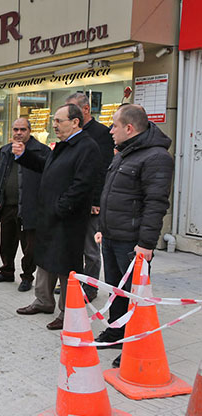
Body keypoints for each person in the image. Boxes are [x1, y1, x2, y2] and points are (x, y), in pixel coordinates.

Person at [93, 104, 174, 368]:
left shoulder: (156, 157)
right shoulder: (124, 154)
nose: (110, 130)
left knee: (133, 293)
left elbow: (156, 203)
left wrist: (146, 244)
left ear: (129, 128)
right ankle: (116, 332)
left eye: (114, 125)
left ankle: (132, 343)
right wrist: (102, 228)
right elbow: (112, 194)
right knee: (116, 289)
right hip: (112, 235)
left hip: (133, 241)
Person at [13, 103, 99, 330]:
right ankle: (43, 301)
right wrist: (25, 157)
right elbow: (47, 167)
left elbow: (82, 184)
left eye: (59, 121)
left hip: (67, 219)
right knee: (45, 259)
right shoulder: (65, 145)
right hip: (50, 215)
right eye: (54, 121)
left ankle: (67, 312)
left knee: (65, 266)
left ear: (75, 122)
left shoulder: (86, 147)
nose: (54, 125)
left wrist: (61, 207)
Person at [0, 118, 48, 292]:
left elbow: (47, 178)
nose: (18, 133)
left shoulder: (41, 151)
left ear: (29, 131)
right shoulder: (5, 150)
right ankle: (6, 271)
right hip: (7, 206)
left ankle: (27, 276)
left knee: (29, 247)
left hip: (29, 207)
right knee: (6, 242)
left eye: (22, 129)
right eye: (15, 129)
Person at [65, 93, 114, 302]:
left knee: (91, 249)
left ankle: (91, 287)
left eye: (73, 109)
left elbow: (102, 168)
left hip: (91, 202)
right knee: (72, 245)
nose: (70, 114)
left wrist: (96, 200)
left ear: (86, 109)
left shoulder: (101, 133)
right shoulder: (71, 132)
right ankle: (73, 283)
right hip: (72, 200)